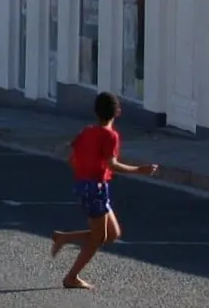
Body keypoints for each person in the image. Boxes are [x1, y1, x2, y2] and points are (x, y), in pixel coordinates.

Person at [52, 91, 159, 289]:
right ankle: (71, 277)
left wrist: (85, 171)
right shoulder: (110, 136)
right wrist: (140, 170)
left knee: (112, 233)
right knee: (98, 237)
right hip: (95, 187)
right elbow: (111, 164)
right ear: (118, 112)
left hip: (86, 185)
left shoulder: (86, 132)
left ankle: (65, 237)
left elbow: (71, 158)